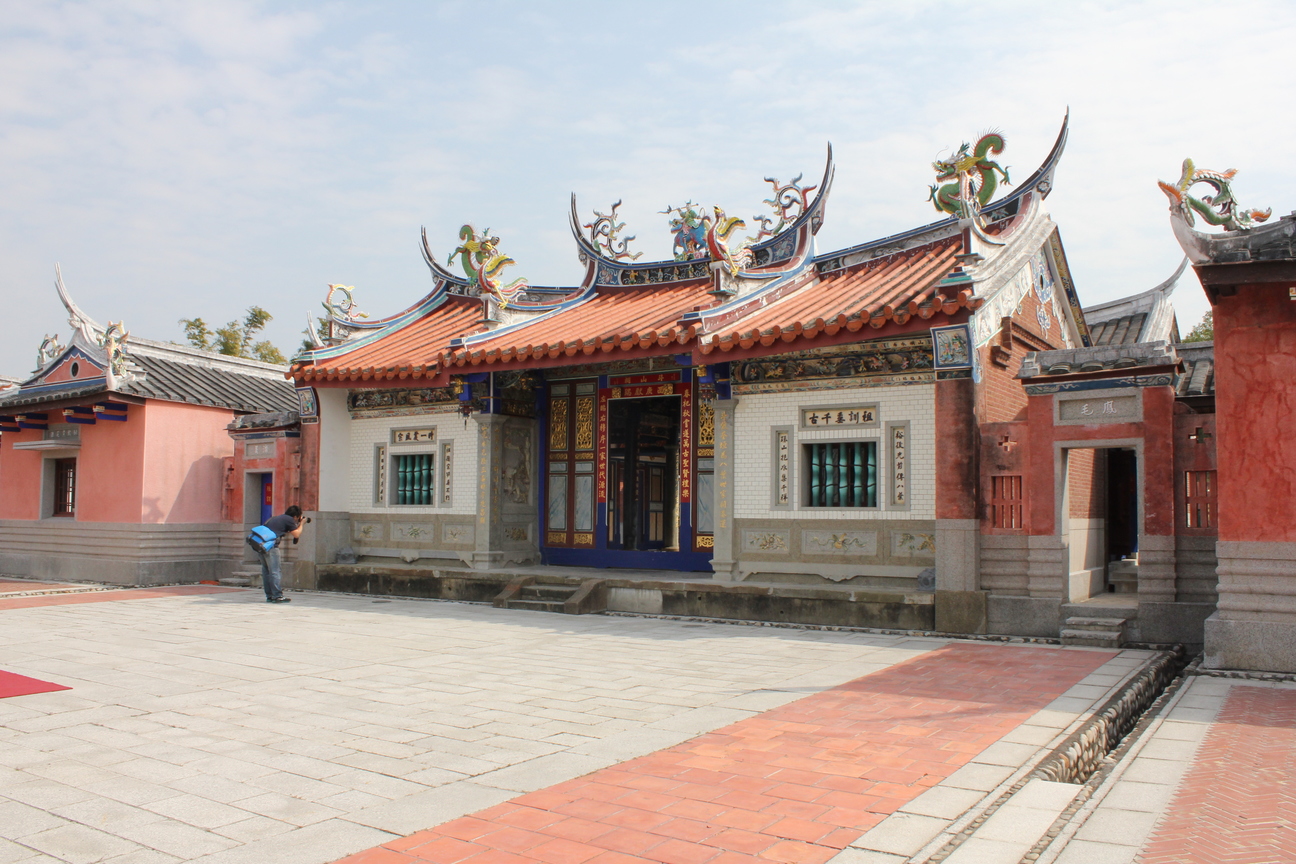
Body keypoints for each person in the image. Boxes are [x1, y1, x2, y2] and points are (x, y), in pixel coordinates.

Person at [255, 505, 304, 603]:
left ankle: (270, 596)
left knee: (266, 572)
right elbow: (296, 534)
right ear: (295, 516)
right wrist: (302, 523)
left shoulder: (276, 518)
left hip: (260, 546)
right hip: (271, 548)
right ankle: (277, 596)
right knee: (275, 571)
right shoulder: (289, 519)